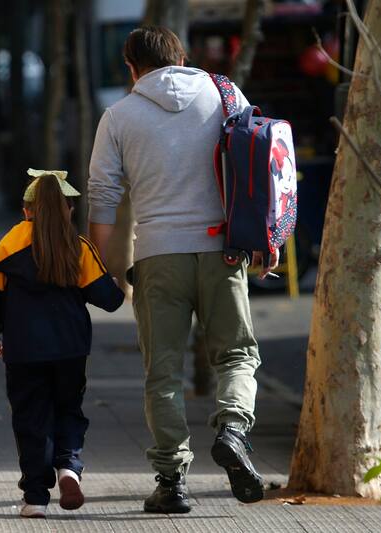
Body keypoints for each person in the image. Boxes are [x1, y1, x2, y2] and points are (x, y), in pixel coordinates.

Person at [87, 26, 278, 514]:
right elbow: (259, 162)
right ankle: (233, 429)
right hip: (223, 251)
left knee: (163, 372)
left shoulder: (118, 116)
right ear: (182, 57)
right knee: (236, 356)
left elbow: (103, 196)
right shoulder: (224, 95)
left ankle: (172, 482)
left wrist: (103, 267)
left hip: (156, 255)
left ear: (131, 66)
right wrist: (268, 238)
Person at [0, 169, 124, 519]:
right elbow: (109, 299)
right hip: (71, 349)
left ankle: (36, 498)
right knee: (68, 409)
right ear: (68, 210)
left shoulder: (9, 244)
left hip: (24, 350)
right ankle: (69, 469)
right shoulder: (78, 245)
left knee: (30, 419)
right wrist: (116, 282)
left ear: (27, 210)